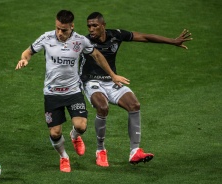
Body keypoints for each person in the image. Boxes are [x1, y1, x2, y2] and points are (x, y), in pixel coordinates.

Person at [15, 10, 129, 172]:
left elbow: (97, 55)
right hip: (52, 93)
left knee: (81, 126)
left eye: (64, 30)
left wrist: (113, 75)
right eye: (58, 29)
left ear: (72, 26)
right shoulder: (46, 38)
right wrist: (24, 59)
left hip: (73, 92)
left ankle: (74, 136)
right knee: (55, 133)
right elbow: (28, 52)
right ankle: (64, 157)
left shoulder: (80, 41)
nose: (60, 33)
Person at [80, 12, 192, 167]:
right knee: (103, 107)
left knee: (134, 105)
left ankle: (135, 151)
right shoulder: (84, 41)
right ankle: (100, 150)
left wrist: (173, 41)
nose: (91, 29)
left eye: (95, 25)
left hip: (111, 80)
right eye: (89, 26)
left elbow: (145, 37)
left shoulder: (116, 35)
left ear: (103, 25)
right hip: (91, 81)